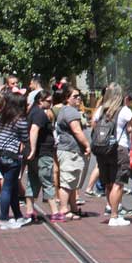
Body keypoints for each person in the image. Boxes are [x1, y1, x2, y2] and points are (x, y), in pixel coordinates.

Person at [91, 83, 132, 226]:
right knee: (118, 183)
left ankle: (111, 210)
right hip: (118, 148)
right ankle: (115, 216)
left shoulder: (101, 110)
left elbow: (93, 125)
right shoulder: (124, 110)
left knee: (108, 183)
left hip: (102, 149)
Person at [0, 92, 30, 230]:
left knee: (12, 186)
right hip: (11, 156)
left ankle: (18, 215)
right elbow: (25, 139)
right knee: (7, 187)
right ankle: (4, 218)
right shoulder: (20, 120)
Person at [55, 88, 90, 220]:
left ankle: (73, 207)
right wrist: (87, 145)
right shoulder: (70, 111)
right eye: (75, 96)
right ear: (67, 98)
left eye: (79, 96)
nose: (79, 98)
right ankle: (64, 209)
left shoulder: (67, 110)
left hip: (69, 150)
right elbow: (76, 130)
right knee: (67, 181)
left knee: (72, 181)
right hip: (70, 151)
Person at [26, 89, 59, 220]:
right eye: (48, 101)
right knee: (47, 181)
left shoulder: (32, 112)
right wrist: (33, 149)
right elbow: (34, 130)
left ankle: (29, 210)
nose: (51, 104)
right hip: (42, 153)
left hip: (36, 154)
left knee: (32, 180)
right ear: (40, 100)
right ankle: (55, 212)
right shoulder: (39, 113)